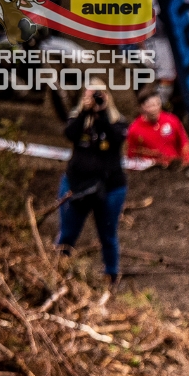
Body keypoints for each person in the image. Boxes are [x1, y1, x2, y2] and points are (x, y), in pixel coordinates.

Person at [57, 85, 128, 283]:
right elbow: (70, 134)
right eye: (89, 94)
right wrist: (85, 112)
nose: (94, 98)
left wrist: (102, 114)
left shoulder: (118, 121)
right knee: (67, 233)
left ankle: (111, 276)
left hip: (110, 187)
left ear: (107, 96)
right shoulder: (77, 118)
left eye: (98, 94)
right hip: (76, 184)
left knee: (108, 235)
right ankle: (57, 270)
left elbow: (116, 139)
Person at [126, 90, 189, 168]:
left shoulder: (172, 120)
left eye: (157, 104)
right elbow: (131, 156)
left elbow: (184, 144)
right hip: (150, 170)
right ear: (141, 107)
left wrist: (187, 162)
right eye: (150, 106)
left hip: (174, 167)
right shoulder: (134, 129)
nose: (154, 109)